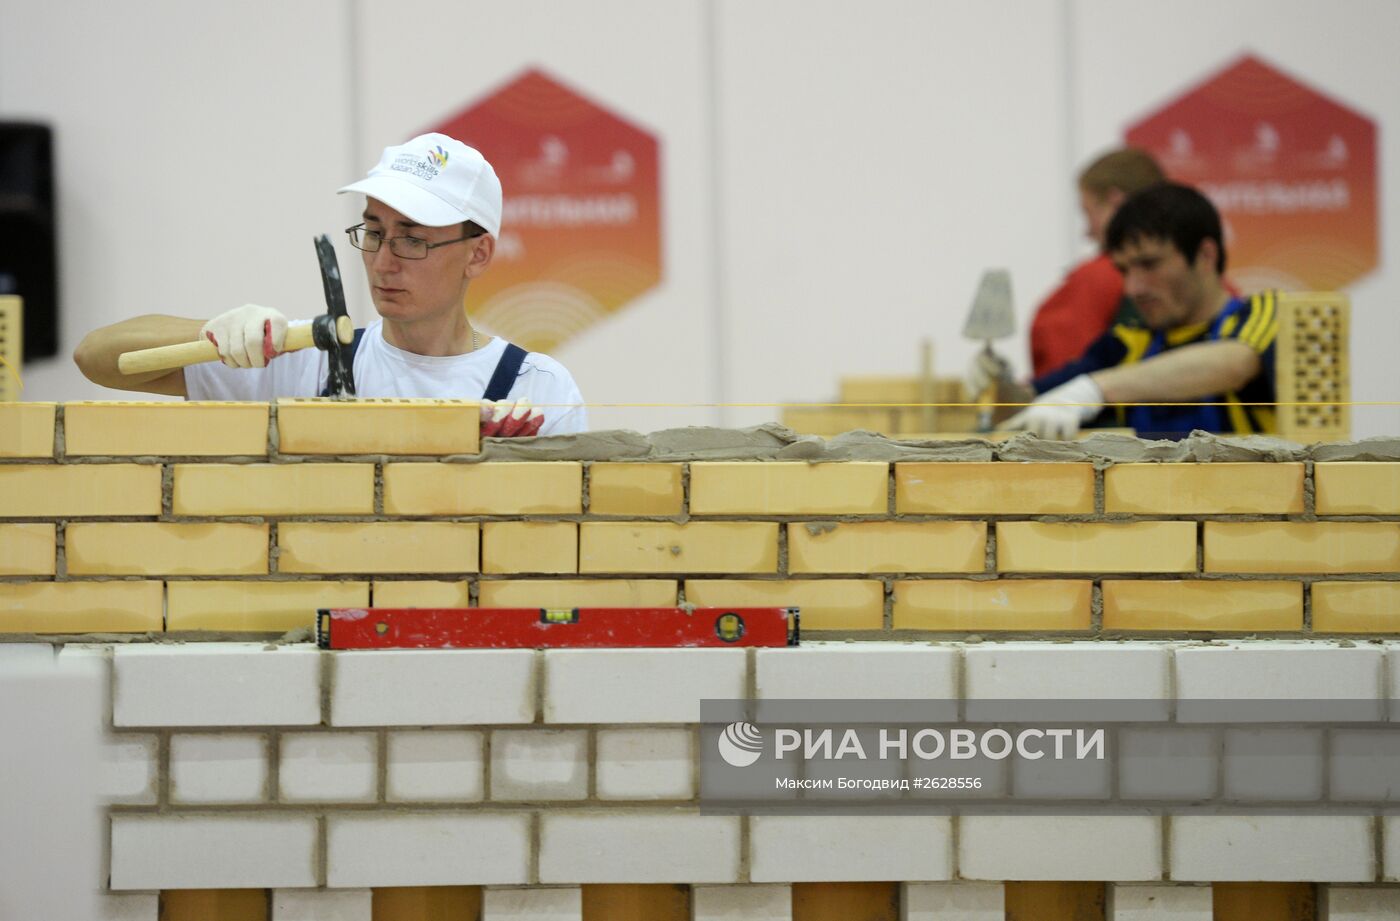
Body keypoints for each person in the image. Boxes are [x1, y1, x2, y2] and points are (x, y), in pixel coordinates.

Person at [74, 133, 586, 437]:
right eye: (374, 233)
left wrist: (520, 474)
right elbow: (97, 358)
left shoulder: (535, 389)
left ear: (478, 253)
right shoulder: (304, 359)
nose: (383, 262)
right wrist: (214, 332)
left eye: (412, 241)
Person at [1001, 182, 1277, 440]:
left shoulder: (1264, 315)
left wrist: (1095, 390)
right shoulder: (1126, 344)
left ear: (1206, 256)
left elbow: (1234, 363)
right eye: (1123, 270)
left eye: (1150, 264)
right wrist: (998, 385)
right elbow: (1030, 402)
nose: (1133, 288)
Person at [1029, 147, 1165, 377]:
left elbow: (1068, 376)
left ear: (1115, 202)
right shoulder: (1207, 282)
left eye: (1088, 213)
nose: (1087, 232)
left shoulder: (1099, 276)